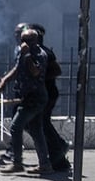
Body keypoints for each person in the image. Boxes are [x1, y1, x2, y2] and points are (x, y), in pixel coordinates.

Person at [0, 28, 52, 175]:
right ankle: (45, 164)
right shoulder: (22, 53)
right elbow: (17, 69)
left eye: (26, 41)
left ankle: (17, 163)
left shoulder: (39, 54)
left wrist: (27, 54)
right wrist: (5, 80)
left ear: (35, 41)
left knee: (15, 127)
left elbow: (35, 71)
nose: (23, 43)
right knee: (36, 130)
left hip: (34, 98)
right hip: (27, 97)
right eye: (22, 40)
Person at [30, 23, 71, 172]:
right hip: (43, 94)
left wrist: (41, 78)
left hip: (47, 94)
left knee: (42, 124)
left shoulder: (44, 52)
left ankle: (59, 155)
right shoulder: (34, 52)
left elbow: (56, 70)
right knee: (42, 124)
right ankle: (59, 148)